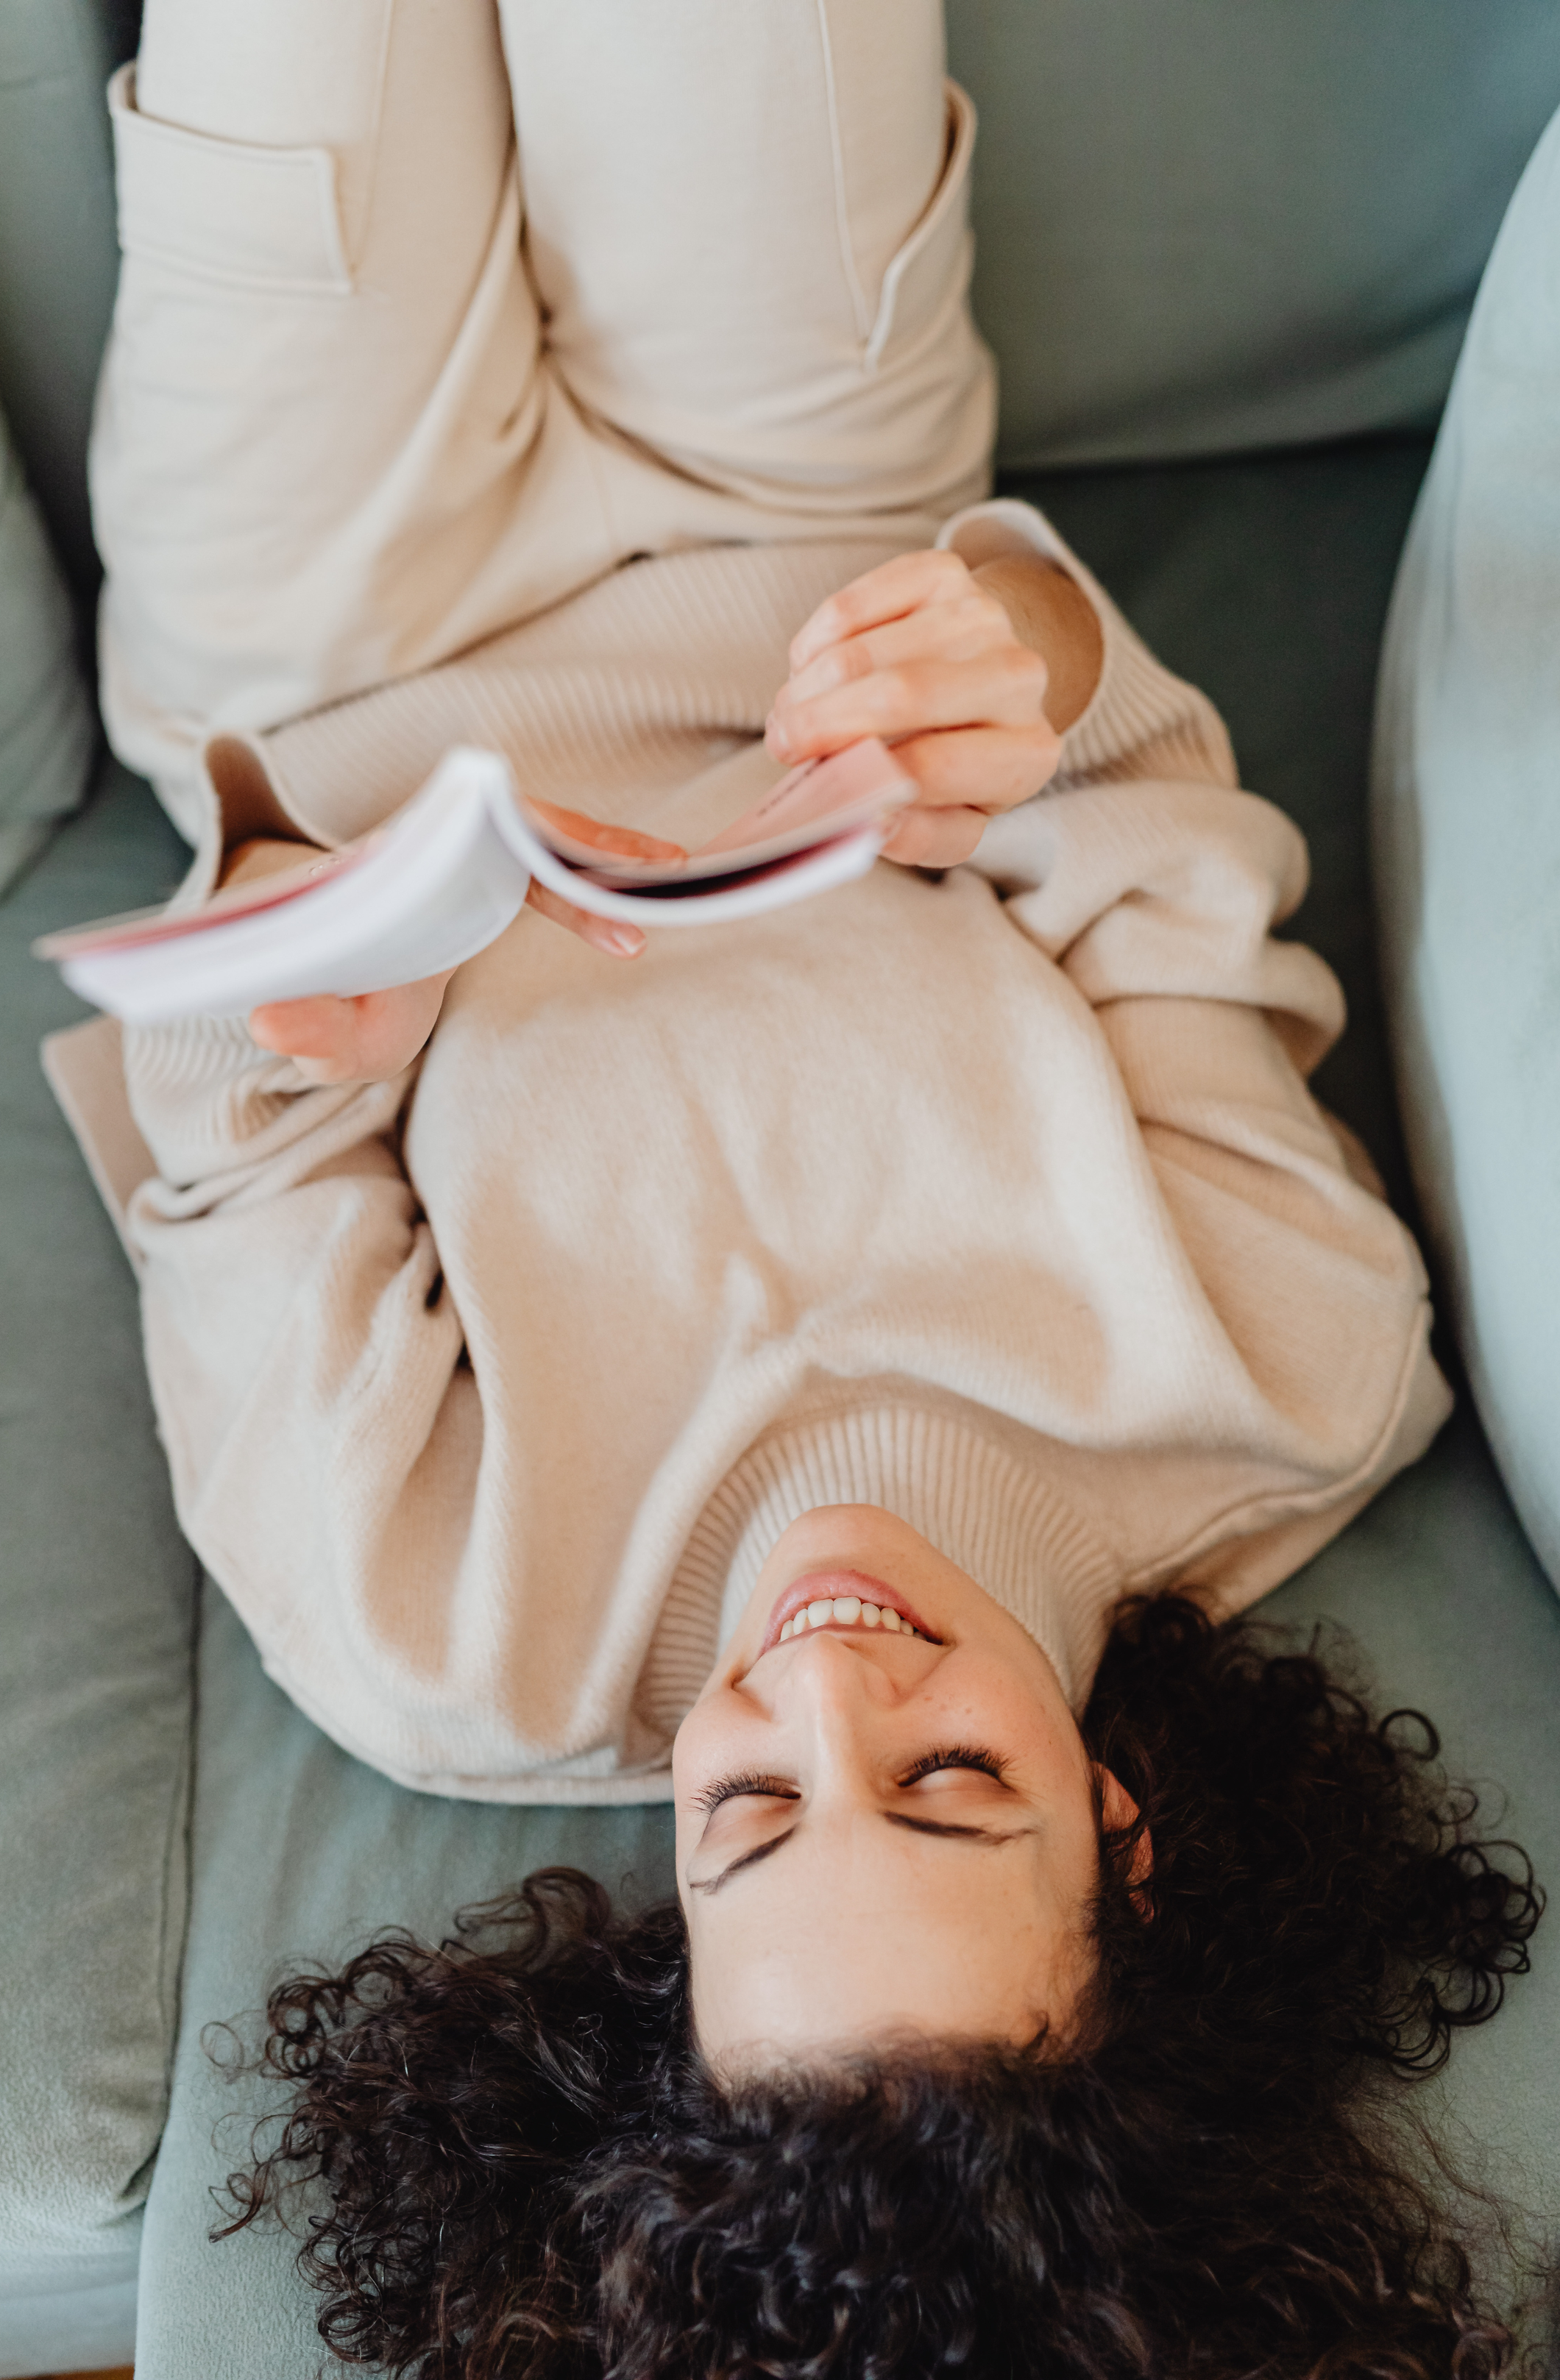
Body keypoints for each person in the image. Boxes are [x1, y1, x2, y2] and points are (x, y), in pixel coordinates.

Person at [77, 0, 1542, 2371]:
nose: (818, 1684)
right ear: (1122, 1835)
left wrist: (305, 1006)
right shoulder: (1292, 1368)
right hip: (810, 526)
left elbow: (232, 1153)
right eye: (951, 1785)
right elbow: (1143, 798)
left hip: (334, 651)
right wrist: (1023, 665)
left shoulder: (440, 1641)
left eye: (747, 1816)